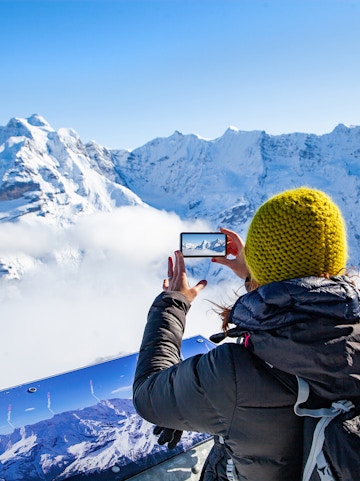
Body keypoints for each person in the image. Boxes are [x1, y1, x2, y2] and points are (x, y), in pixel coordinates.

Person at [132, 187, 360, 481]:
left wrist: (173, 304)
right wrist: (254, 274)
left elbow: (148, 395)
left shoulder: (232, 375)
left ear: (261, 262)